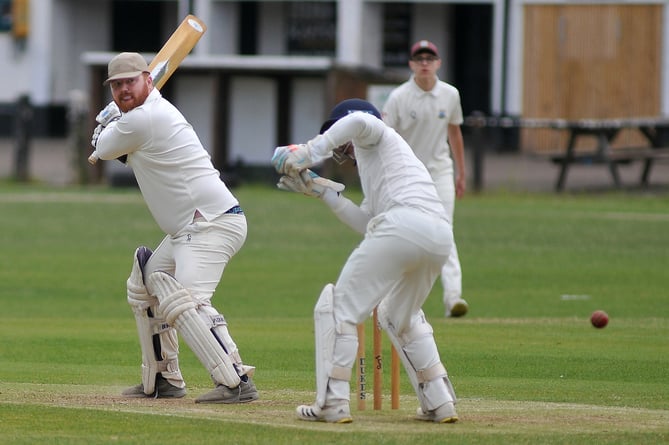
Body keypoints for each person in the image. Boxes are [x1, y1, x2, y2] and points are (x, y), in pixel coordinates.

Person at [271, 99, 459, 424]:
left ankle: (332, 402)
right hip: (438, 235)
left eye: (336, 136)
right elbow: (368, 223)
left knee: (341, 309)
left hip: (405, 224)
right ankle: (439, 401)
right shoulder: (382, 164)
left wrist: (307, 151)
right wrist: (322, 191)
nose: (340, 149)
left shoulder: (374, 132)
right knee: (400, 316)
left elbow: (358, 120)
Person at [91, 52, 258, 404]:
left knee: (187, 302)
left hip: (210, 223)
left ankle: (237, 380)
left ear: (148, 80)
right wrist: (111, 125)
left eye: (130, 82)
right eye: (116, 85)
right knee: (146, 285)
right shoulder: (141, 117)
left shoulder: (146, 118)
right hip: (188, 229)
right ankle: (164, 378)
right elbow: (113, 147)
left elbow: (105, 149)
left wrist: (106, 126)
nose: (123, 90)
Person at [382, 40, 469, 318]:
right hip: (407, 175)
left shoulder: (450, 94)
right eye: (419, 58)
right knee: (404, 232)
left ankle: (453, 297)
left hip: (440, 171)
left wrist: (461, 172)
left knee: (445, 229)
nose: (424, 63)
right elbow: (385, 137)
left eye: (429, 58)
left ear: (438, 63)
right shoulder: (398, 97)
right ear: (411, 64)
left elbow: (455, 133)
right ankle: (394, 297)